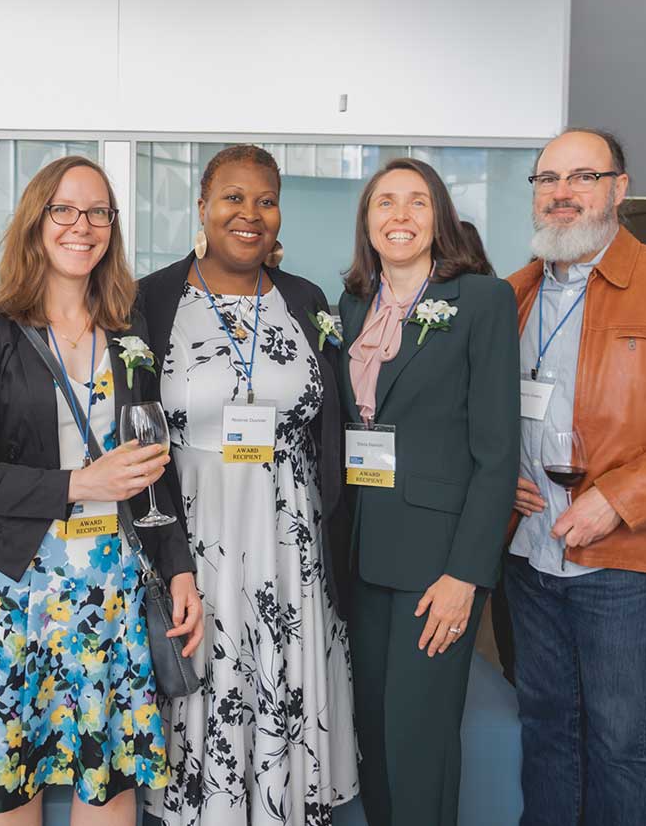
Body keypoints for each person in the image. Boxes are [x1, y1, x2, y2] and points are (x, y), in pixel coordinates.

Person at [0, 155, 203, 825]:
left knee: (108, 779)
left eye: (97, 212)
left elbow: (154, 467)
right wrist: (81, 483)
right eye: (64, 209)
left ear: (112, 228)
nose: (81, 226)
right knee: (10, 780)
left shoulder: (128, 332)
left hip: (107, 588)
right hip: (11, 589)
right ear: (36, 222)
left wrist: (178, 570)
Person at [138, 144, 358, 825]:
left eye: (266, 199)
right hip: (198, 536)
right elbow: (139, 429)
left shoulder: (305, 299)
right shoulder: (152, 298)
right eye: (233, 198)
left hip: (289, 538)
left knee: (282, 687)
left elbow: (332, 421)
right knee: (206, 684)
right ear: (202, 207)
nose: (250, 213)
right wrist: (164, 550)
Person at [504, 128, 646, 826]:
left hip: (626, 562)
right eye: (548, 179)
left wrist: (619, 497)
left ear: (620, 187)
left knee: (619, 744)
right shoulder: (512, 293)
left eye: (583, 177)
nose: (562, 193)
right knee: (546, 732)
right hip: (530, 555)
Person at [336, 157, 519, 826]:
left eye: (417, 202)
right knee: (374, 738)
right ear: (368, 221)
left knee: (419, 742)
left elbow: (498, 454)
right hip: (360, 557)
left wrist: (466, 575)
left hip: (435, 566)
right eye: (386, 202)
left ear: (439, 217)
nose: (401, 215)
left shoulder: (481, 301)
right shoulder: (352, 304)